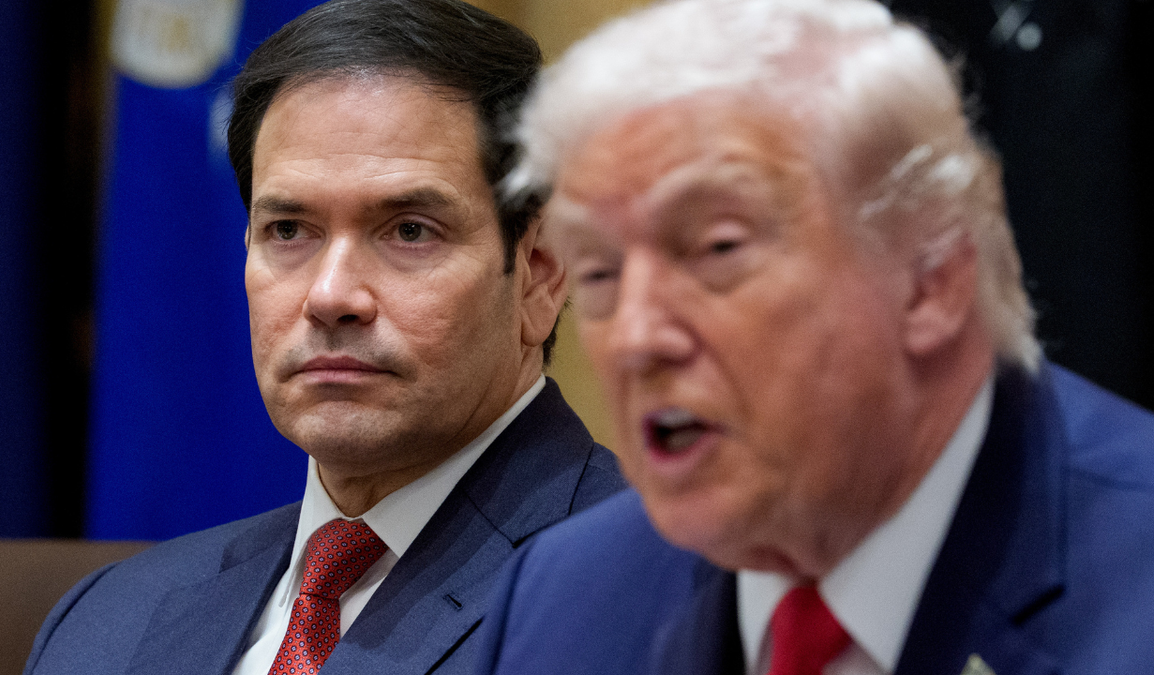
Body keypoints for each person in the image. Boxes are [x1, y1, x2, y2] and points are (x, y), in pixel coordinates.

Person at [476, 0, 1154, 673]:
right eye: (599, 273)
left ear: (931, 278)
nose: (634, 337)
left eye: (717, 248)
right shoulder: (555, 599)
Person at [23, 1, 624, 674]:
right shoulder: (106, 620)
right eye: (288, 231)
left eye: (410, 230)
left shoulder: (670, 592)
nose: (331, 294)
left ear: (539, 275)